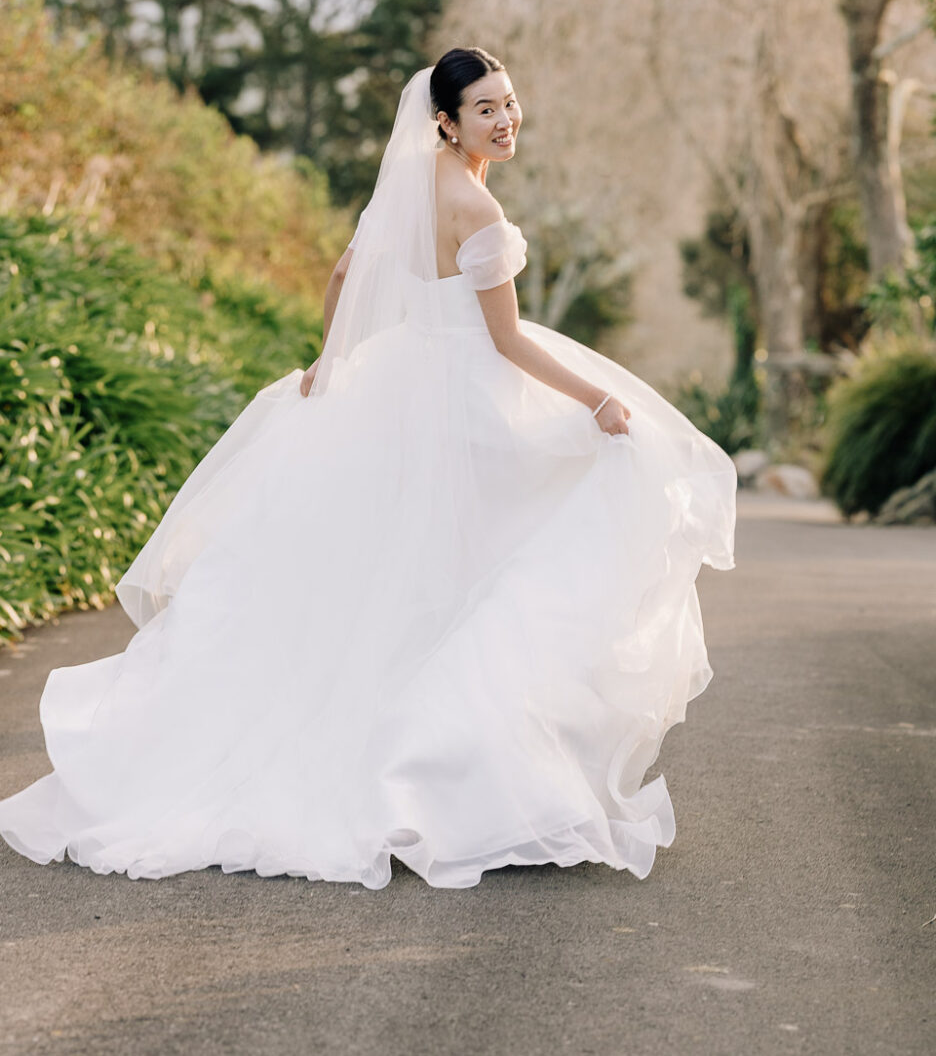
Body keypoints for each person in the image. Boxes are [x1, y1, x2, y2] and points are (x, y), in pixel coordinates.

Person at [0, 46, 737, 889]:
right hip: (466, 397)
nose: (506, 119)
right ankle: (448, 777)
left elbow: (349, 271)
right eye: (487, 109)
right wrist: (595, 400)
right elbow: (507, 341)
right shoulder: (478, 214)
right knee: (509, 557)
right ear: (448, 122)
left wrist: (333, 357)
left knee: (390, 579)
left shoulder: (409, 185)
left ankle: (408, 750)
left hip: (393, 383)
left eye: (509, 102)